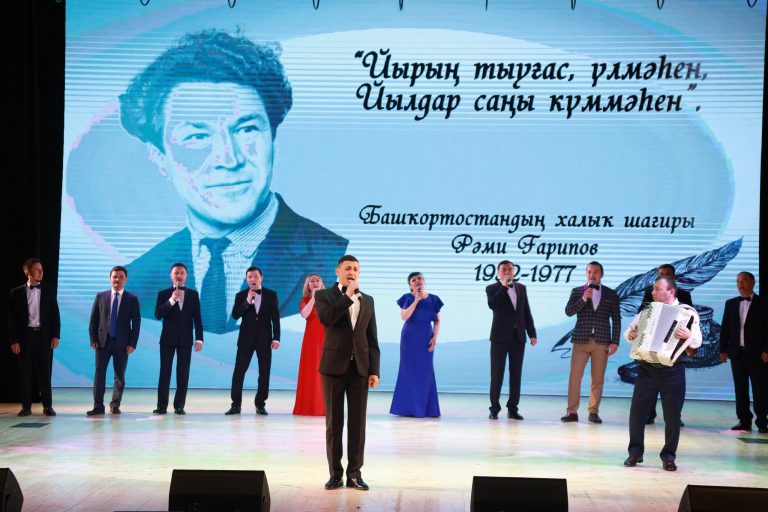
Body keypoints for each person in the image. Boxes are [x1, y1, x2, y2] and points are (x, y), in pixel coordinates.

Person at [120, 30, 347, 333]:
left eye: (246, 129)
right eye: (197, 136)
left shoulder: (336, 260)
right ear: (159, 156)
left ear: (273, 137)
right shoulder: (138, 279)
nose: (228, 158)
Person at [315, 255, 380, 491]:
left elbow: (371, 337)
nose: (352, 272)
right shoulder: (324, 295)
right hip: (333, 367)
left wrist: (374, 370)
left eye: (355, 269)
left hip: (360, 369)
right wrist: (347, 296)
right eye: (347, 268)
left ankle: (354, 474)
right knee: (334, 424)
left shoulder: (368, 300)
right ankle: (335, 474)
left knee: (357, 424)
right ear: (338, 271)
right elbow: (327, 319)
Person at [624, 276, 702, 471]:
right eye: (653, 289)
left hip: (673, 370)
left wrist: (688, 336)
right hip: (647, 368)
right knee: (637, 413)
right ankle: (635, 453)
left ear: (671, 292)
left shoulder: (688, 313)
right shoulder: (647, 310)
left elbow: (697, 341)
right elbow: (629, 331)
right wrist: (630, 335)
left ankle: (668, 456)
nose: (653, 292)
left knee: (672, 416)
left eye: (658, 289)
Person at [561, 261, 621, 424]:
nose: (592, 275)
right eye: (589, 271)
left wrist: (615, 341)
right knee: (575, 376)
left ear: (602, 274)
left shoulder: (611, 294)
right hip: (581, 340)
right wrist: (583, 298)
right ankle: (572, 411)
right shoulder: (577, 291)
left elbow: (616, 319)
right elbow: (568, 312)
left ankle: (593, 411)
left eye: (595, 272)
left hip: (602, 341)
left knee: (598, 378)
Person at [637, 263, 693, 425]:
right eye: (661, 273)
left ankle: (675, 417)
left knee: (673, 386)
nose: (663, 276)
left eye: (667, 274)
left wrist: (688, 343)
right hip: (652, 342)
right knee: (650, 383)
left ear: (674, 277)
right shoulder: (650, 293)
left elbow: (690, 318)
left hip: (674, 344)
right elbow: (640, 314)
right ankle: (649, 414)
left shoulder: (684, 294)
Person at [8, 258, 61, 417]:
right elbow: (12, 319)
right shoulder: (16, 292)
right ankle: (26, 407)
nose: (41, 272)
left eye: (41, 269)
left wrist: (55, 336)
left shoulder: (49, 289)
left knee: (45, 372)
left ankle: (47, 406)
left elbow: (54, 314)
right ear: (27, 272)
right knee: (25, 373)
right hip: (25, 337)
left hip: (44, 337)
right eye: (37, 269)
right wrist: (14, 340)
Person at [225, 267, 280, 416]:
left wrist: (276, 338)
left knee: (264, 373)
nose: (252, 279)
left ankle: (260, 404)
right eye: (249, 277)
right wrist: (248, 300)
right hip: (245, 340)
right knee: (239, 372)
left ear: (261, 277)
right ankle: (236, 404)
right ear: (246, 279)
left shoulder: (271, 295)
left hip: (265, 340)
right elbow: (235, 315)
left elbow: (275, 318)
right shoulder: (241, 295)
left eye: (255, 276)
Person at [485, 260, 536, 420]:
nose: (507, 272)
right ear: (498, 272)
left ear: (514, 271)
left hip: (518, 337)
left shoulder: (521, 288)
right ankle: (494, 408)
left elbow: (526, 312)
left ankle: (512, 408)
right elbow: (493, 305)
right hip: (499, 337)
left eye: (510, 269)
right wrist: (503, 287)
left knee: (516, 374)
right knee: (497, 374)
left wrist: (532, 333)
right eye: (504, 269)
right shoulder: (492, 288)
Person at [87, 266, 141, 415]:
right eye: (115, 277)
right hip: (102, 342)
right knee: (99, 374)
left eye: (121, 277)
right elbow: (93, 320)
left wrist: (132, 344)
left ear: (126, 279)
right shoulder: (101, 296)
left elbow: (136, 324)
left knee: (119, 376)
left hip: (122, 344)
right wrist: (93, 339)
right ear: (110, 278)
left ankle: (115, 405)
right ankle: (98, 406)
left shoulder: (132, 299)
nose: (117, 279)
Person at [719, 272, 767, 434]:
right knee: (740, 389)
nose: (740, 283)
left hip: (757, 354)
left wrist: (766, 349)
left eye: (744, 280)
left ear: (753, 282)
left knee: (760, 389)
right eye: (738, 281)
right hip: (737, 353)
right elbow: (725, 328)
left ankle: (762, 421)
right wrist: (723, 350)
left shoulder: (764, 303)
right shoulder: (731, 303)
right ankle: (744, 421)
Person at [153, 263, 203, 415]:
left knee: (183, 373)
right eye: (176, 273)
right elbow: (158, 314)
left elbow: (197, 318)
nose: (179, 275)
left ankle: (179, 406)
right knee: (165, 372)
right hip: (167, 339)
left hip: (186, 340)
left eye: (182, 273)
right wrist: (172, 300)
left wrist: (199, 339)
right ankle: (162, 406)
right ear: (171, 275)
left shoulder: (193, 295)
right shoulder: (163, 294)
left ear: (186, 276)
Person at [390, 272, 442, 418]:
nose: (417, 281)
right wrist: (416, 300)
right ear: (410, 285)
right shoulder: (407, 298)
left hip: (426, 336)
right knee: (408, 370)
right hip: (409, 337)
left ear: (424, 281)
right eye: (413, 280)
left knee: (425, 371)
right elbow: (404, 316)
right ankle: (407, 408)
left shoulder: (434, 299)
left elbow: (437, 321)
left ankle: (426, 408)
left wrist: (435, 337)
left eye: (419, 278)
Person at [293, 274, 326, 416]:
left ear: (321, 283)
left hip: (326, 338)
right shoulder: (305, 300)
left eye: (317, 280)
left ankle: (323, 407)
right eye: (312, 281)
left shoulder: (328, 300)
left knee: (324, 372)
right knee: (311, 371)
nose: (315, 282)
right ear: (308, 285)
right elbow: (305, 314)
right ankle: (308, 406)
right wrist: (314, 298)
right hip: (311, 340)